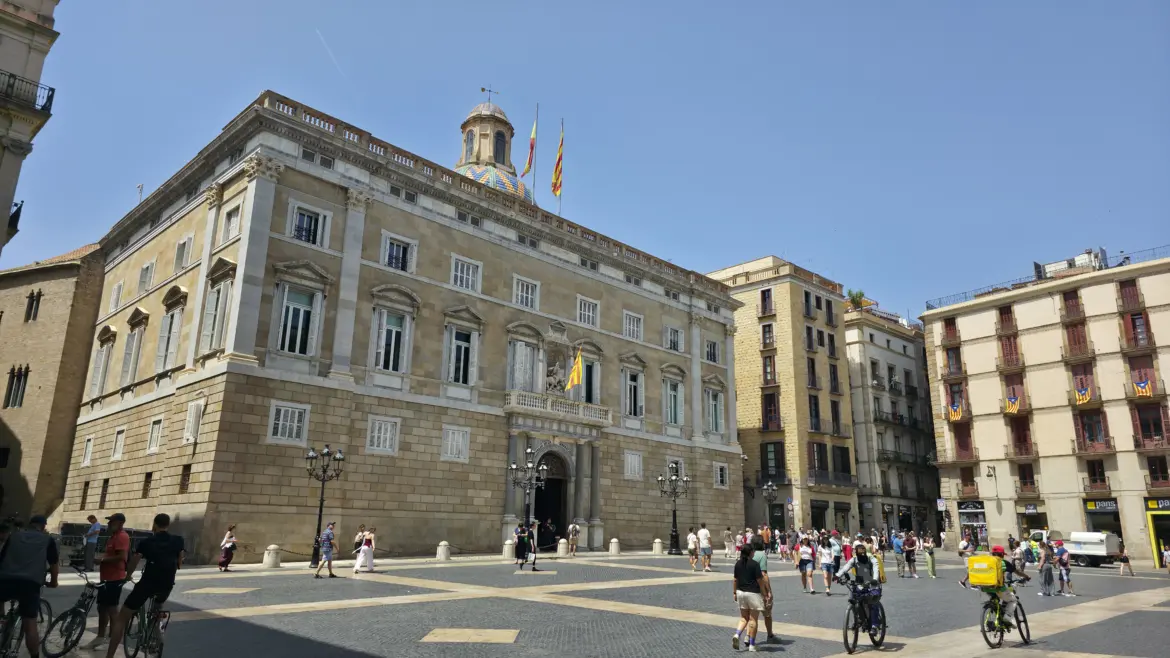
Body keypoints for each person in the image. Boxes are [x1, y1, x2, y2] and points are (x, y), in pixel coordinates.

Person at [104, 513, 184, 658]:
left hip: (148, 583)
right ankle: (156, 637)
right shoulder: (178, 540)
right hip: (166, 584)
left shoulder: (147, 542)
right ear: (168, 524)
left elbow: (135, 560)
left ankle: (109, 656)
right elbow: (179, 562)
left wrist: (128, 575)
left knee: (121, 619)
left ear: (154, 524)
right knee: (157, 608)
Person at [0, 514, 59, 658]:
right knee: (30, 623)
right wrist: (53, 582)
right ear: (44, 526)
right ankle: (34, 656)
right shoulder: (47, 539)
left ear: (30, 524)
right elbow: (54, 564)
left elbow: (2, 558)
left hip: (6, 579)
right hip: (30, 584)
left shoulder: (14, 536)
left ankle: (2, 619)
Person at [85, 513, 130, 651]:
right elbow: (111, 554)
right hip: (106, 578)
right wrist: (101, 557)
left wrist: (103, 560)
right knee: (102, 608)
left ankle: (113, 638)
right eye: (109, 521)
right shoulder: (113, 537)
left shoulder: (122, 536)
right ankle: (101, 636)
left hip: (114, 578)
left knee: (111, 609)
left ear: (120, 523)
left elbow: (121, 557)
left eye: (112, 521)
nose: (109, 524)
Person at [731, 542, 771, 652]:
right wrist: (764, 594)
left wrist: (734, 593)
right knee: (753, 619)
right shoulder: (754, 564)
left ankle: (737, 634)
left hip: (740, 592)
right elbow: (760, 581)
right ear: (750, 552)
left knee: (744, 618)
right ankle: (752, 645)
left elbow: (735, 580)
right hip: (753, 593)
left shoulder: (738, 564)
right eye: (752, 551)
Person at [835, 541, 882, 630]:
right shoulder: (854, 560)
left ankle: (874, 625)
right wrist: (837, 575)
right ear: (856, 553)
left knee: (873, 602)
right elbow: (846, 567)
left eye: (863, 553)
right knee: (853, 599)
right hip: (859, 584)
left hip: (872, 585)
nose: (862, 555)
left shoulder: (871, 559)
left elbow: (876, 569)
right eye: (860, 553)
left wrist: (875, 580)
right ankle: (860, 619)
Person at [977, 545, 1024, 631]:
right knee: (1012, 600)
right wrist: (1026, 576)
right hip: (998, 587)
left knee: (996, 601)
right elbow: (1017, 572)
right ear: (1001, 554)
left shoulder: (986, 561)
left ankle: (994, 620)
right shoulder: (1003, 562)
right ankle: (1007, 616)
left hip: (984, 587)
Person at [749, 536, 778, 644]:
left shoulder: (748, 554)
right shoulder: (762, 555)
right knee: (767, 612)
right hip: (759, 588)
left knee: (752, 615)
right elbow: (764, 574)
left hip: (748, 588)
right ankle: (770, 635)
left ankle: (748, 637)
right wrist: (769, 591)